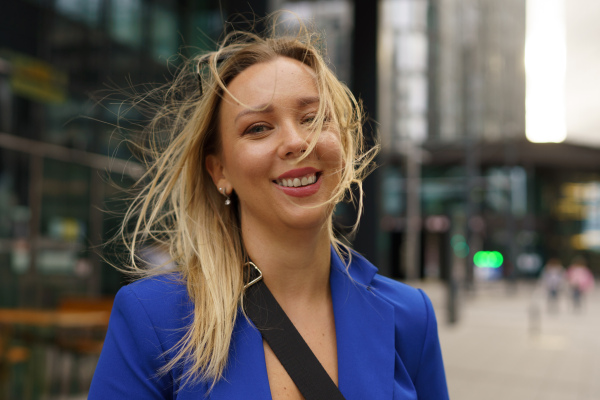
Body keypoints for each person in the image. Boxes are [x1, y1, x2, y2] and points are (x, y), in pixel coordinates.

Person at [89, 15, 448, 399]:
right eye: (258, 128)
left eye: (313, 118)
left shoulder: (410, 316)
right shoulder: (153, 318)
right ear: (219, 170)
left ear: (342, 143)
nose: (296, 141)